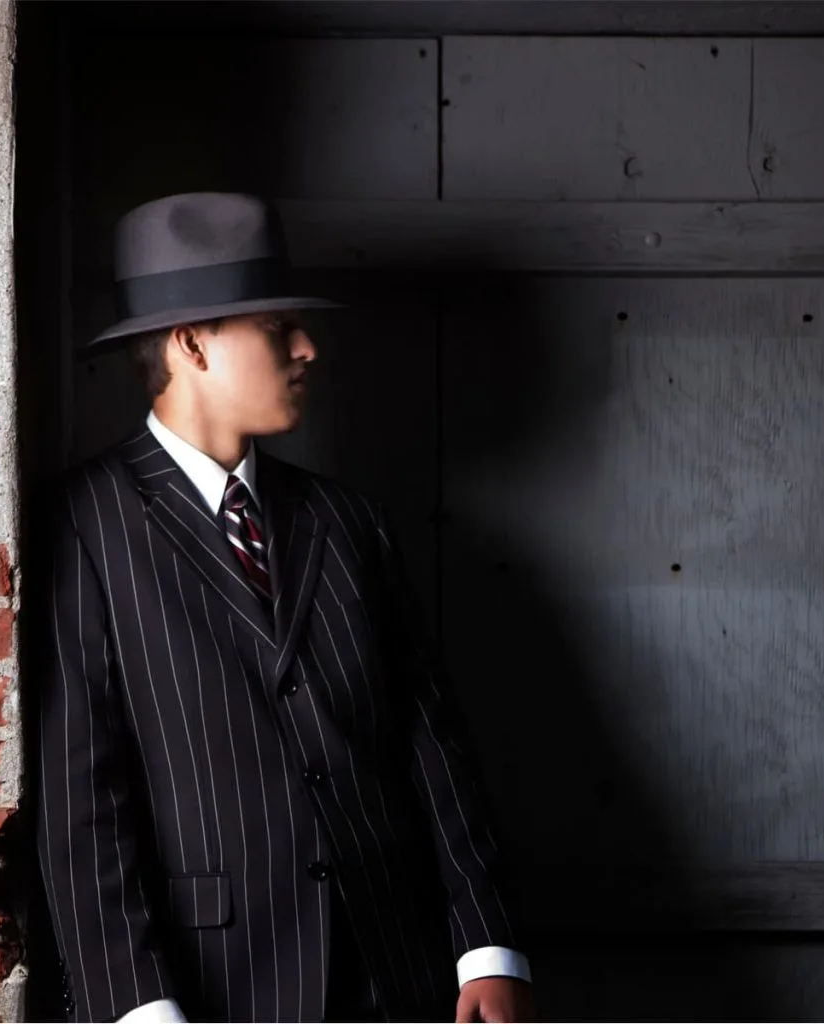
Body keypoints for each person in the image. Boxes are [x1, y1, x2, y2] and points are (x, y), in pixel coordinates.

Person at [37, 192, 536, 1023]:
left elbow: (431, 744)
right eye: (275, 326)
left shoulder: (349, 522)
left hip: (399, 976)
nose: (307, 348)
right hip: (217, 985)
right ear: (191, 342)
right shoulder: (86, 525)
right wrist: (137, 1007)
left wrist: (487, 947)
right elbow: (80, 799)